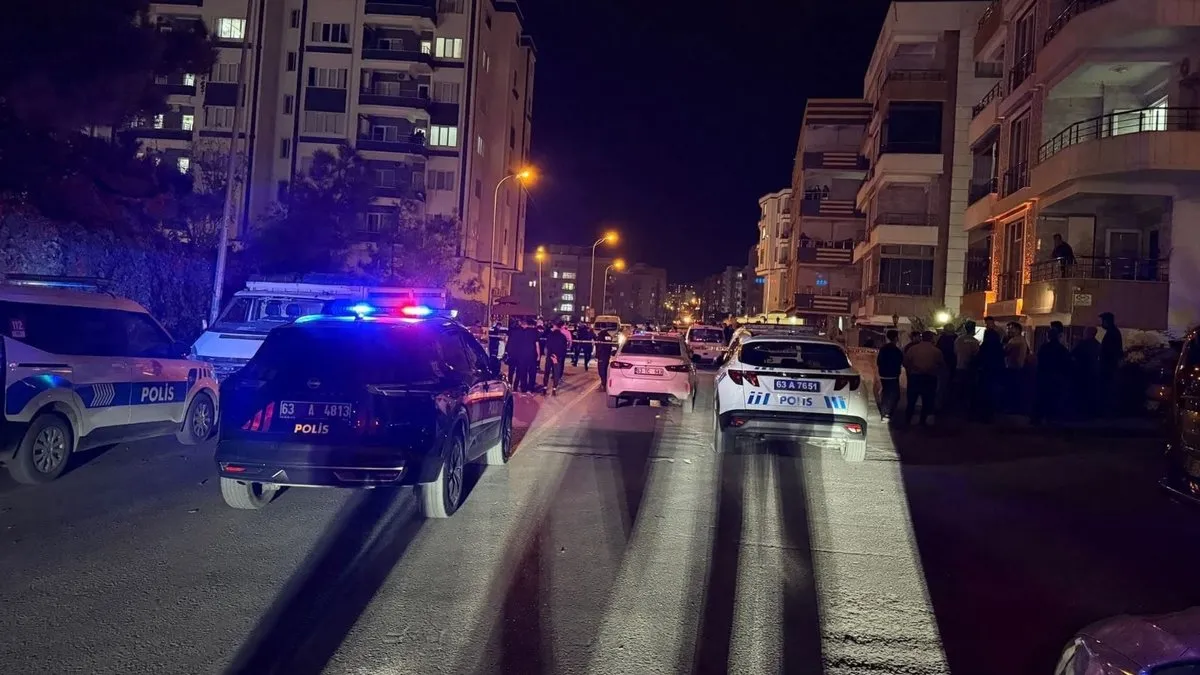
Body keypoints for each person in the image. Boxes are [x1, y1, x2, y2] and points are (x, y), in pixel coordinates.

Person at [1032, 321, 1071, 425]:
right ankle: (1051, 418)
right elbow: (1066, 364)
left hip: (1045, 376)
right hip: (1056, 377)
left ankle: (1039, 418)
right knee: (1054, 398)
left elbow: (1039, 362)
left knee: (1042, 398)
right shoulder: (1062, 349)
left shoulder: (1044, 348)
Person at [903, 331, 944, 426]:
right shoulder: (936, 351)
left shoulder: (913, 349)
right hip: (930, 378)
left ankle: (907, 420)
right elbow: (942, 365)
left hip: (915, 377)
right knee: (927, 401)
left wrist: (913, 370)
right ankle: (922, 421)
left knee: (911, 401)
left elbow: (905, 362)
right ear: (931, 338)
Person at [1071, 326, 1100, 418]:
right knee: (1091, 394)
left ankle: (1081, 413)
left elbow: (1073, 354)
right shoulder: (1097, 344)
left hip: (1082, 372)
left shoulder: (1082, 344)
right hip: (1093, 372)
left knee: (1082, 394)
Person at [954, 320, 981, 417]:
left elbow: (955, 352)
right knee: (969, 390)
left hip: (959, 367)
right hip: (970, 370)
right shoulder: (975, 341)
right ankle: (968, 410)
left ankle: (958, 410)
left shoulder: (959, 340)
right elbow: (977, 355)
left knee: (959, 390)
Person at [876, 329, 903, 422]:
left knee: (887, 394)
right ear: (896, 338)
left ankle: (886, 413)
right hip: (893, 375)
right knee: (892, 395)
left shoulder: (883, 349)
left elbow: (878, 361)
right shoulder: (896, 350)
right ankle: (886, 414)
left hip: (883, 374)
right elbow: (900, 361)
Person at [507, 317, 540, 394]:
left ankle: (523, 388)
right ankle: (530, 389)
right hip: (531, 355)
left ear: (521, 323)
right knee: (532, 373)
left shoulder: (515, 332)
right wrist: (538, 355)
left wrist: (509, 353)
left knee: (522, 372)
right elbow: (537, 344)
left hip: (520, 355)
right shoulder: (534, 332)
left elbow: (511, 343)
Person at [1099, 312, 1123, 412]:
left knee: (1108, 389)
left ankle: (1108, 410)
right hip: (1110, 365)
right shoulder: (1114, 332)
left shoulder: (1112, 333)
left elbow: (1110, 350)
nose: (1102, 323)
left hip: (1109, 366)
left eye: (1103, 321)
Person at [543, 320, 570, 396]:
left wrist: (550, 355)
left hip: (550, 356)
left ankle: (545, 388)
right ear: (561, 327)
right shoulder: (563, 337)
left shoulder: (550, 335)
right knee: (556, 373)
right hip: (558, 358)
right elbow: (564, 349)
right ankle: (554, 389)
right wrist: (557, 357)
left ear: (555, 326)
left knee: (547, 372)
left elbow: (548, 346)